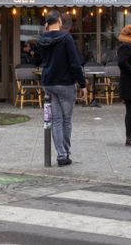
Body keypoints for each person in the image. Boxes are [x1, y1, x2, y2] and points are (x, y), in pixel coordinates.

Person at [37, 10, 88, 167]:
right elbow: (74, 63)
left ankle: (60, 154)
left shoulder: (41, 39)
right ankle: (65, 153)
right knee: (67, 119)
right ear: (59, 21)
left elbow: (38, 60)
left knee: (56, 120)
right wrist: (83, 84)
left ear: (47, 24)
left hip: (48, 83)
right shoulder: (66, 38)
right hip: (65, 83)